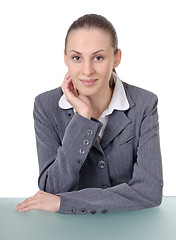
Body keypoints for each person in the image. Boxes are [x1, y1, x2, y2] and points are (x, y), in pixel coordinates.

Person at [15, 14, 163, 214]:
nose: (87, 70)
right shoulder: (46, 106)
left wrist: (65, 203)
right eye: (77, 57)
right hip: (70, 228)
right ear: (65, 58)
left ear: (116, 58)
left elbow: (149, 192)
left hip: (130, 224)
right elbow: (51, 188)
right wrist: (83, 118)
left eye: (98, 58)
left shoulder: (144, 104)